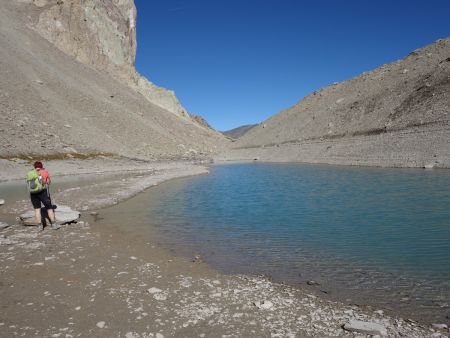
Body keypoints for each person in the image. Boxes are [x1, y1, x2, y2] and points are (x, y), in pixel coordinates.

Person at [29, 161, 60, 231]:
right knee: (49, 208)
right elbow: (49, 182)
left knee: (37, 209)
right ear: (41, 166)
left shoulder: (30, 173)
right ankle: (53, 224)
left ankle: (40, 226)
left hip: (33, 193)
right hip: (43, 192)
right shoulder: (44, 171)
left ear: (34, 166)